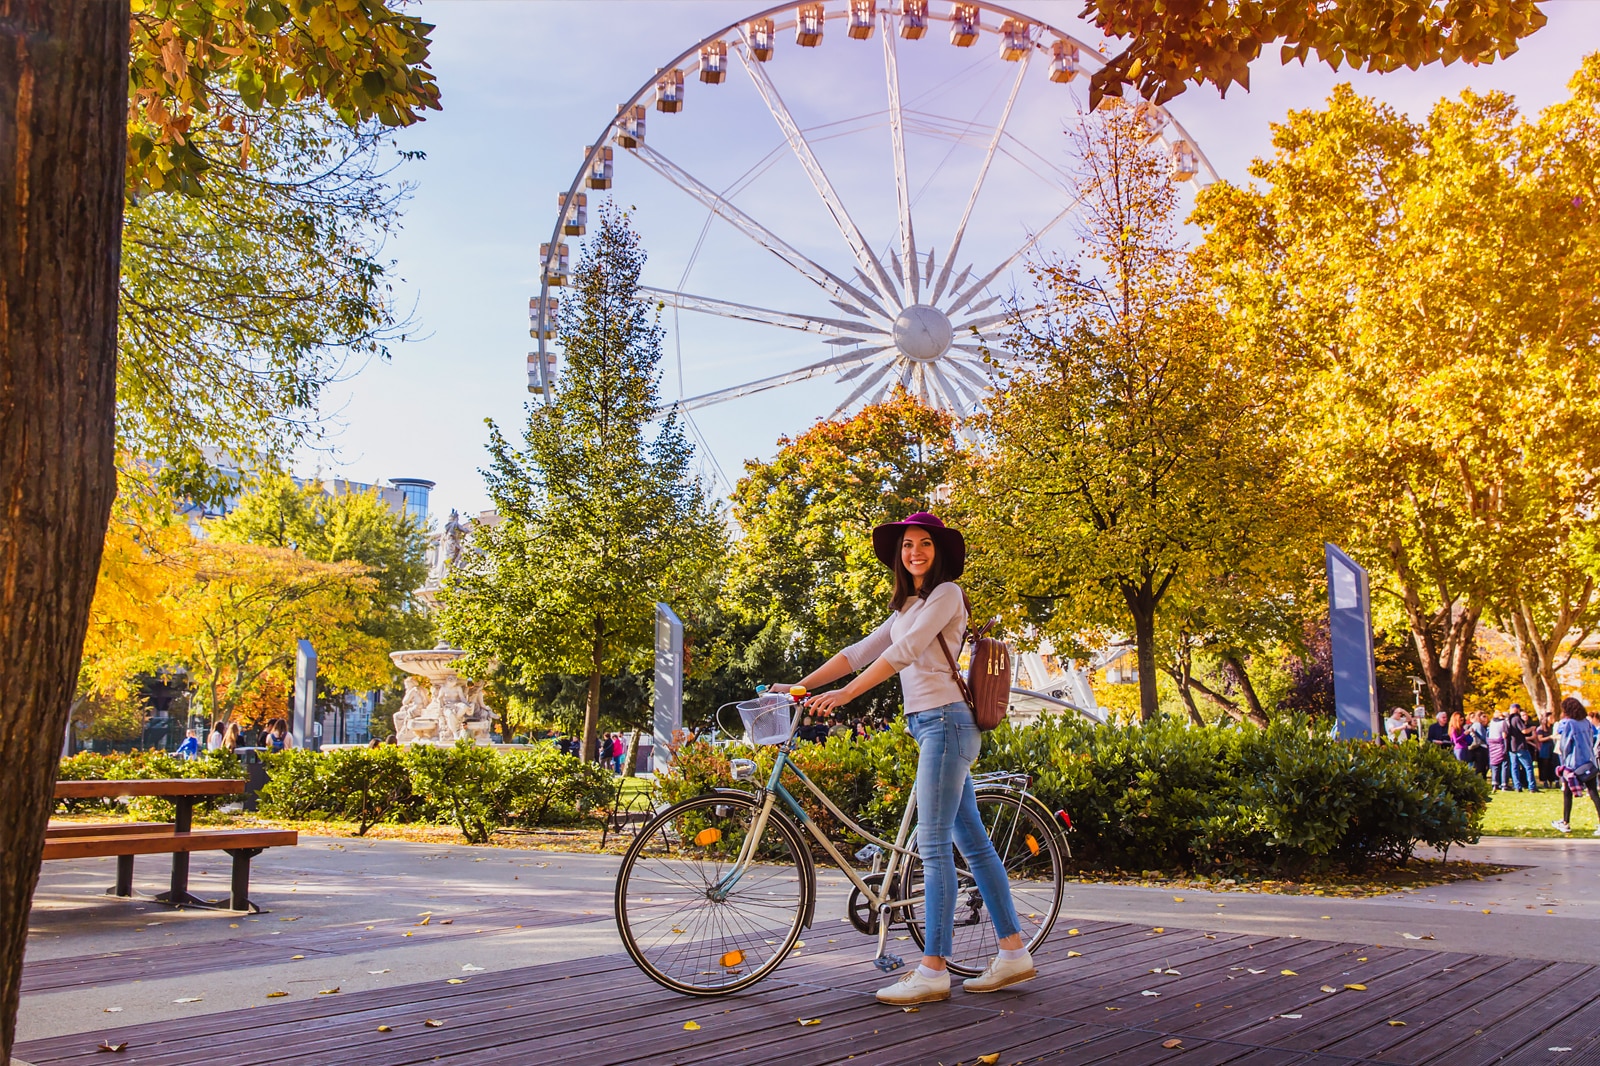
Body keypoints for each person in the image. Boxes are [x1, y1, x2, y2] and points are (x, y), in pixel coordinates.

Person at [790, 511, 1033, 1006]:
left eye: (924, 543)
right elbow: (859, 651)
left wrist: (845, 696)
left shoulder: (947, 595)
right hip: (931, 726)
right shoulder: (908, 606)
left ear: (938, 551)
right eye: (906, 545)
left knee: (935, 844)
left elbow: (905, 653)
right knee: (973, 844)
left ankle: (933, 969)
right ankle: (1013, 954)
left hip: (946, 722)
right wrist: (802, 686)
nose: (914, 551)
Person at [1551, 696, 1600, 835]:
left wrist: (1564, 758)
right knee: (1593, 792)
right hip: (1588, 761)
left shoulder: (1569, 724)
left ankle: (1566, 822)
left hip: (1573, 763)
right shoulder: (1586, 722)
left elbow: (1565, 744)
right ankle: (1566, 821)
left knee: (1567, 792)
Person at [1506, 703, 1539, 793]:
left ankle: (1517, 786)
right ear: (1518, 710)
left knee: (1514, 767)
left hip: (1512, 747)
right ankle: (1532, 787)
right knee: (1528, 766)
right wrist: (1532, 729)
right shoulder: (1517, 718)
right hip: (1520, 746)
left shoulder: (1508, 719)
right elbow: (1524, 731)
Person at [1487, 712, 1509, 790]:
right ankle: (1504, 784)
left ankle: (1494, 784)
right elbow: (1504, 735)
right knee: (1504, 764)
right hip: (1500, 743)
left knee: (1494, 764)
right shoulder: (1503, 723)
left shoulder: (1491, 722)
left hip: (1492, 745)